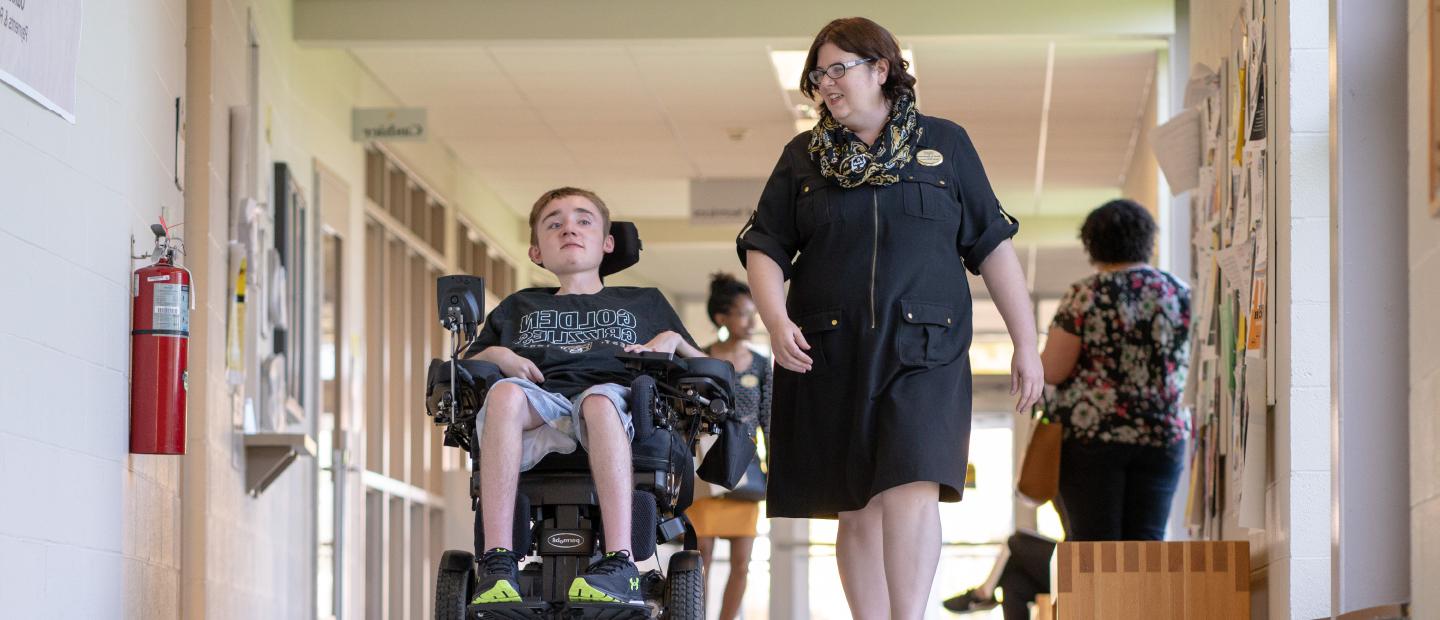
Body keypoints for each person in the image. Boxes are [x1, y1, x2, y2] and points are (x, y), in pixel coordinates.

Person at [736, 17, 1044, 619]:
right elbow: (764, 247)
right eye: (818, 74)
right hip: (830, 348)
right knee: (856, 505)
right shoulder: (802, 158)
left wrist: (1026, 342)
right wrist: (775, 321)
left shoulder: (945, 143)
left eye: (838, 68)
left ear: (881, 69)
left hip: (926, 347)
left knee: (912, 485)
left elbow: (992, 246)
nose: (826, 83)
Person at [463, 187, 705, 606]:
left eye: (583, 220)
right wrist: (500, 353)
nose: (569, 228)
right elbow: (469, 363)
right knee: (503, 394)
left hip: (614, 402)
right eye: (554, 223)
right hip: (541, 403)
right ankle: (498, 562)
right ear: (537, 251)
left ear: (607, 243)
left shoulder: (643, 301)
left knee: (598, 401)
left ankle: (620, 563)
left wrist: (672, 340)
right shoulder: (519, 305)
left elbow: (708, 367)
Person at [1040, 199, 1192, 541]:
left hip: (1093, 435)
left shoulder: (1086, 294)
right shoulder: (1179, 293)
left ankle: (1098, 599)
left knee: (1095, 550)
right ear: (1148, 241)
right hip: (1163, 433)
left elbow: (1053, 370)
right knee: (1147, 548)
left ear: (1091, 244)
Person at [686, 272, 773, 620]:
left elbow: (769, 420)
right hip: (704, 467)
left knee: (742, 562)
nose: (752, 320)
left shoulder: (763, 365)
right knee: (699, 556)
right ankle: (696, 615)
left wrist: (776, 470)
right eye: (743, 313)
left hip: (746, 468)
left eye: (754, 313)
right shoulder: (698, 359)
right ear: (722, 318)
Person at [941, 530, 1057, 619]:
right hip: (1066, 557)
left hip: (1070, 553)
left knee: (1015, 543)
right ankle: (984, 592)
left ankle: (984, 592)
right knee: (1012, 583)